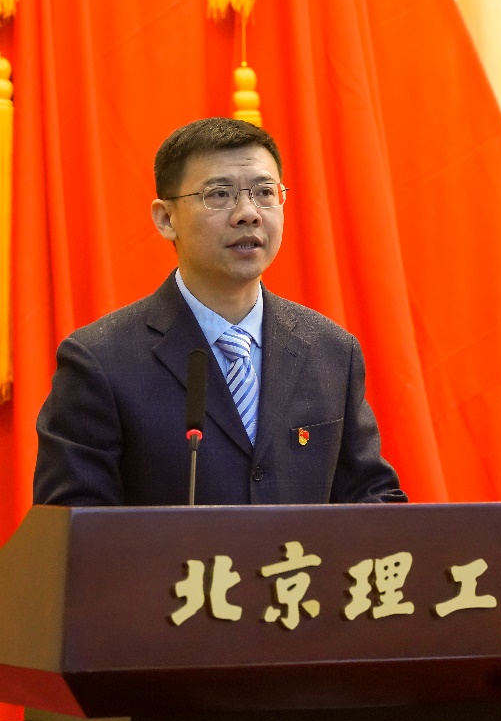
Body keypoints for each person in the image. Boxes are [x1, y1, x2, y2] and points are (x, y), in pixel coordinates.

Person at [34, 117, 407, 506]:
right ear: (166, 218)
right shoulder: (100, 361)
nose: (248, 213)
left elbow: (371, 498)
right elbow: (73, 523)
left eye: (265, 192)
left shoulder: (331, 351)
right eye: (220, 194)